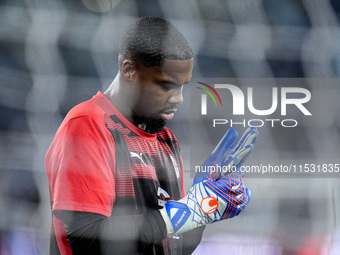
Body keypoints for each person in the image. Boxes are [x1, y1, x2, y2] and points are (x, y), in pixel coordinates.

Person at [45, 16, 258, 255]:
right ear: (129, 70)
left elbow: (173, 246)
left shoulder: (166, 141)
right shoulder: (89, 124)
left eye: (183, 86)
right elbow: (87, 241)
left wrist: (203, 211)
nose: (178, 98)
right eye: (166, 85)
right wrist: (189, 211)